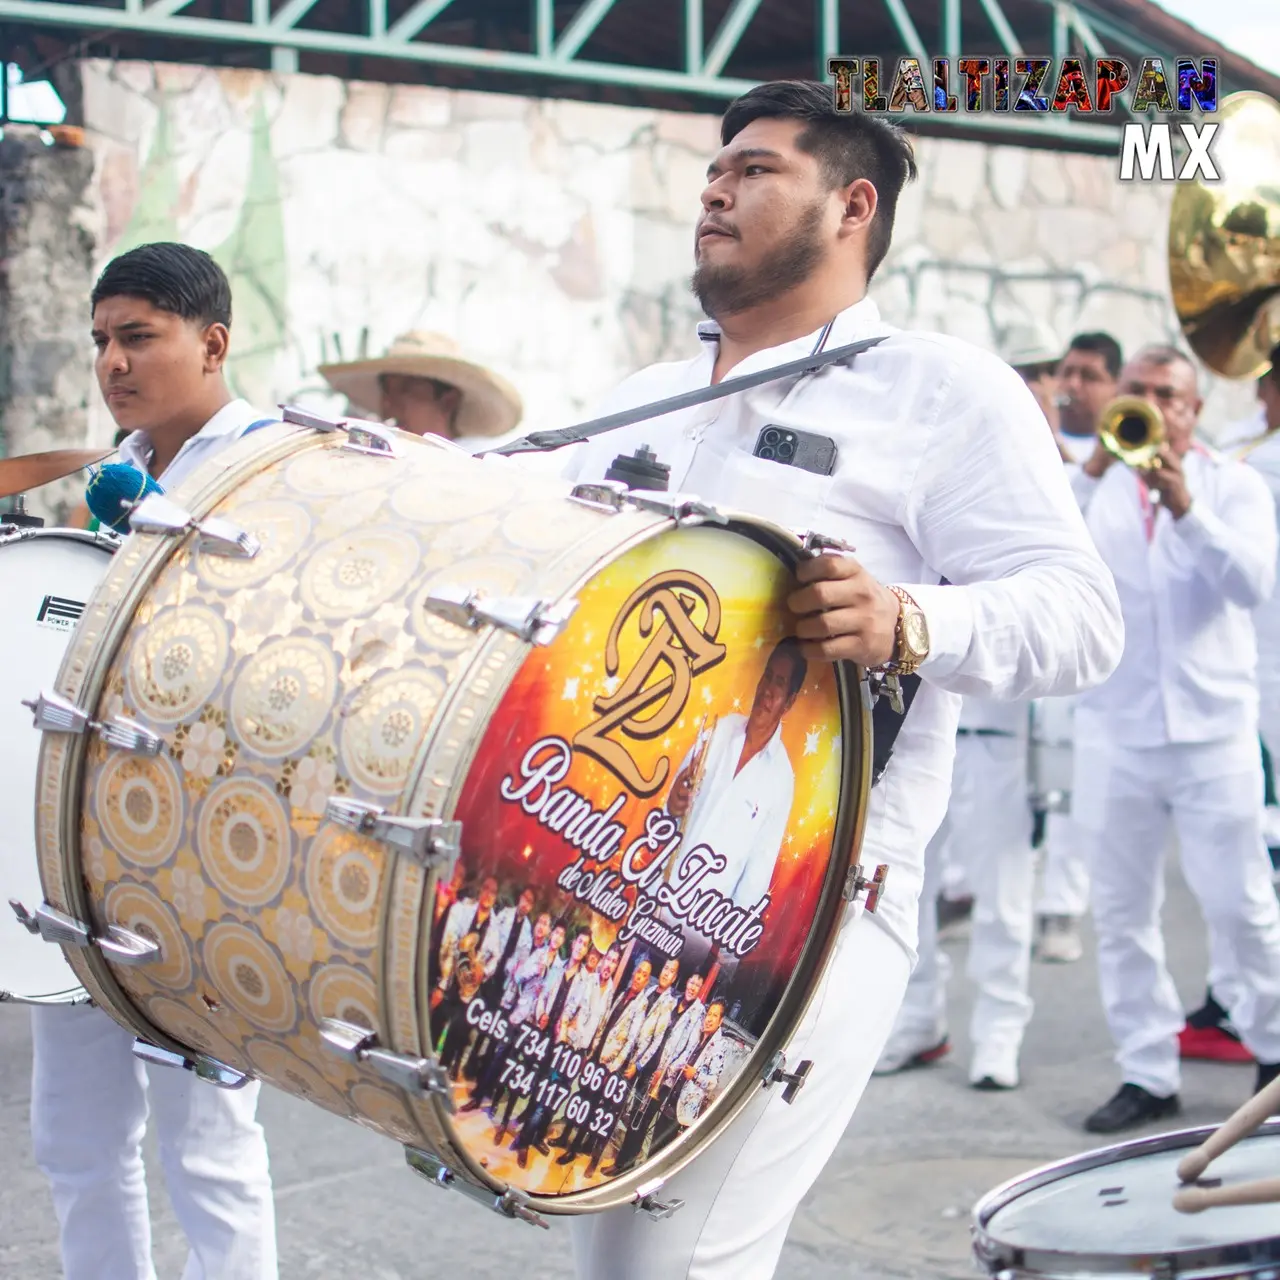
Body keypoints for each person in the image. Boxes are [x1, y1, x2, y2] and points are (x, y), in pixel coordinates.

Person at [518, 79, 1121, 1279]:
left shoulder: (944, 390)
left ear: (852, 206)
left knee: (682, 1262)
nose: (715, 188)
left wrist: (904, 616)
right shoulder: (637, 398)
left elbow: (1080, 619)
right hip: (606, 871)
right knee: (614, 1253)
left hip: (815, 901)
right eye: (713, 169)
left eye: (753, 169)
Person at [30, 240, 278, 1280]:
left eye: (139, 335)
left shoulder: (275, 469)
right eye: (101, 340)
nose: (113, 361)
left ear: (212, 341)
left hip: (200, 856)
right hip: (83, 842)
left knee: (208, 1145)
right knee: (75, 1137)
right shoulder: (121, 473)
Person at [1071, 344, 1280, 1135]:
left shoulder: (1235, 487)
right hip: (1115, 731)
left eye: (1169, 395)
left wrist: (1188, 508)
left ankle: (1272, 1054)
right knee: (1123, 912)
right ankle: (1146, 1071)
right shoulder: (1089, 488)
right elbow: (1048, 557)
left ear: (1194, 410)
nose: (1153, 406)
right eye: (1139, 392)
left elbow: (1251, 584)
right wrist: (1093, 473)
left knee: (1242, 905)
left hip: (1214, 734)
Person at [874, 329, 1058, 1092]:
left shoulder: (1058, 478)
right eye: (1030, 375)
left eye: (1048, 377)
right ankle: (919, 1022)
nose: (1041, 388)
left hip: (1006, 725)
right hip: (928, 712)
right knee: (911, 887)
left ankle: (1001, 1032)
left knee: (1002, 891)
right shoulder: (951, 460)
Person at [1033, 330, 1123, 965]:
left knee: (1075, 789)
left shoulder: (1117, 453)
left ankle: (1062, 907)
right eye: (1068, 372)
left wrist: (1083, 466)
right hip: (1053, 641)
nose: (1073, 386)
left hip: (1108, 657)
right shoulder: (1042, 448)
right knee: (1039, 781)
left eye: (1089, 375)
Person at [664, 639, 803, 911]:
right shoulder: (719, 730)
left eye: (780, 683)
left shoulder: (781, 778)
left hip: (699, 926)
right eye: (768, 676)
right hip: (659, 893)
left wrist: (724, 946)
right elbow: (670, 805)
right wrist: (673, 803)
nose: (768, 690)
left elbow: (758, 871)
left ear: (790, 701)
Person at [316, 330, 523, 447]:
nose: (389, 405)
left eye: (405, 390)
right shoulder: (371, 461)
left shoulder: (473, 472)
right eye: (386, 391)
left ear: (447, 399)